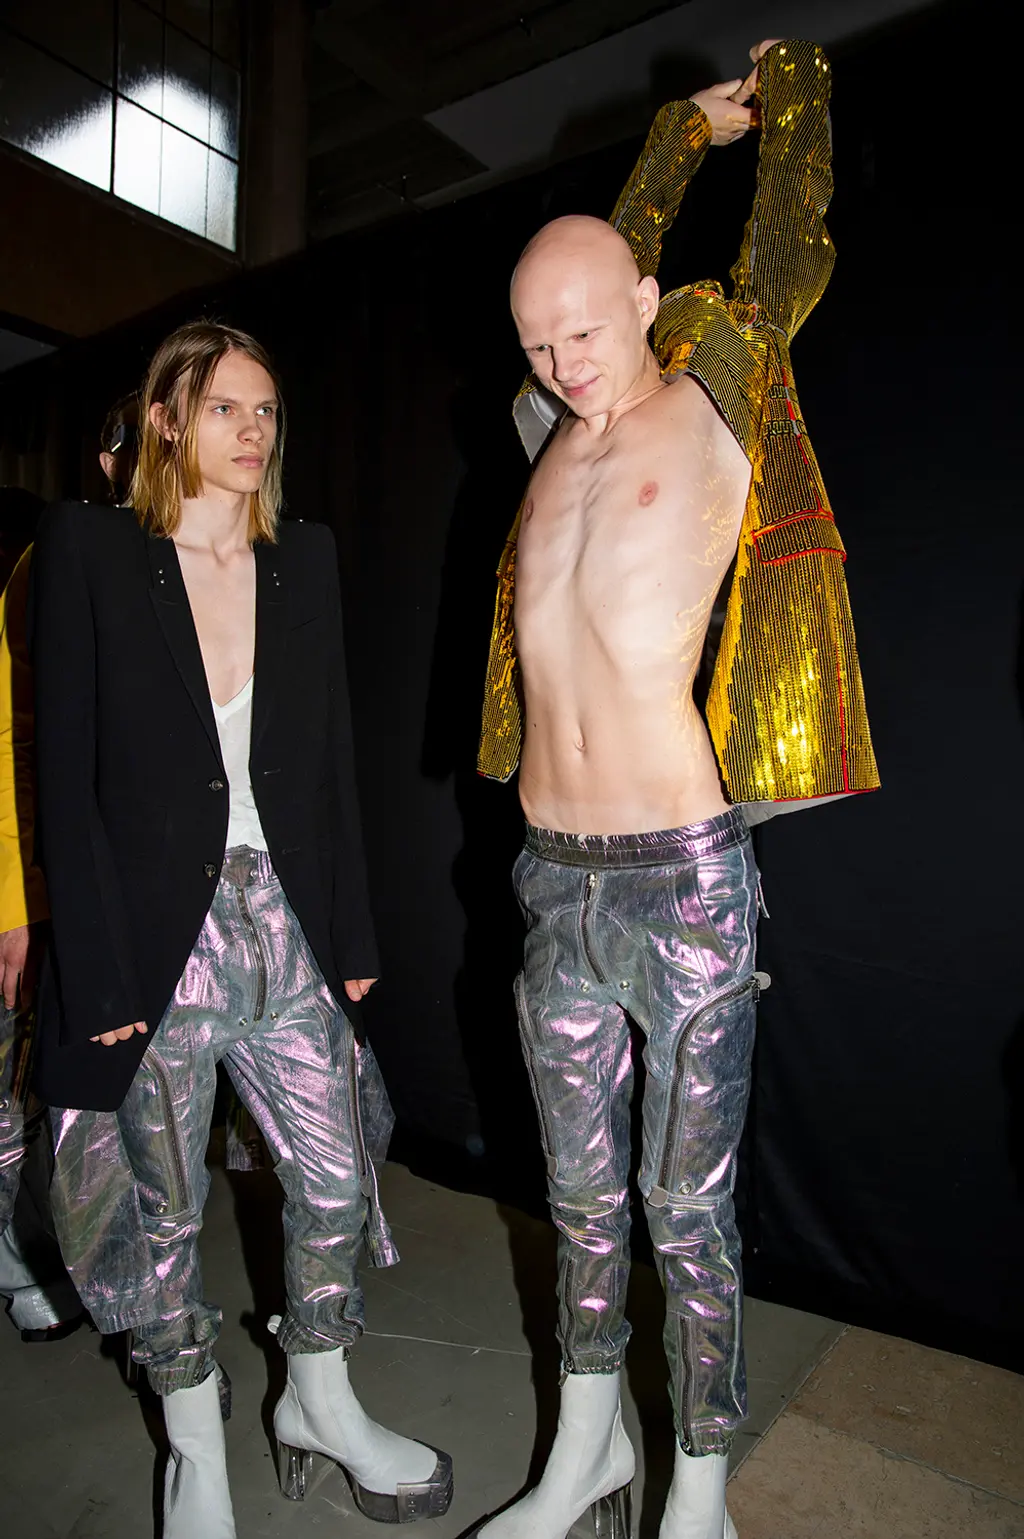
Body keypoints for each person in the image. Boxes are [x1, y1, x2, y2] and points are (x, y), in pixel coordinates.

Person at [475, 39, 878, 1539]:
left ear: (647, 303)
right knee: (579, 1199)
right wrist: (659, 143)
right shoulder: (545, 442)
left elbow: (781, 244)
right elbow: (578, 278)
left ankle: (697, 1485)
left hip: (681, 880)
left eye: (587, 328)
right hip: (550, 880)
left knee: (685, 1209)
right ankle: (584, 1454)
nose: (564, 360)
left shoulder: (718, 395)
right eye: (538, 342)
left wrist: (732, 123)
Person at [29, 322, 453, 1537]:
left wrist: (353, 934)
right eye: (225, 408)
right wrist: (95, 968)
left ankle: (319, 1395)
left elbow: (328, 763)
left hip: (289, 924)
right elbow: (65, 777)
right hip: (153, 940)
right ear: (167, 419)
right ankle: (195, 1451)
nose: (253, 431)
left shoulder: (301, 559)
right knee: (161, 1214)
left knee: (337, 1175)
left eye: (265, 410)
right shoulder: (91, 550)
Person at [0, 402, 143, 1344]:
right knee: (26, 1090)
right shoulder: (52, 564)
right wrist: (15, 908)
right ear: (108, 459)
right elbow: (14, 742)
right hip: (40, 890)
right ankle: (20, 1259)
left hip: (117, 890)